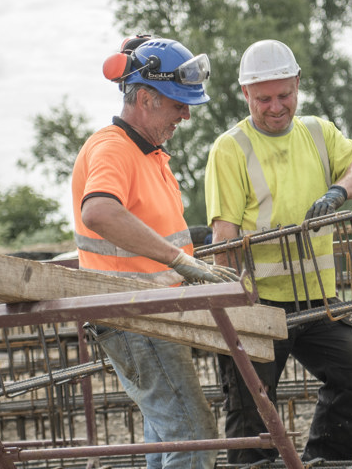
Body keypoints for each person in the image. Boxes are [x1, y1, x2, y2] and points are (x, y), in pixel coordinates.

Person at [204, 39, 352, 463]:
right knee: (251, 408)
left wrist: (339, 191)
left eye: (284, 95)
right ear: (245, 94)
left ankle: (325, 461)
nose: (275, 106)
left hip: (317, 299)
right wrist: (234, 312)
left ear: (298, 84)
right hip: (259, 303)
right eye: (263, 98)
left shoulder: (319, 132)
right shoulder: (231, 148)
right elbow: (224, 238)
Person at [72, 35, 236, 469]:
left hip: (149, 314)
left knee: (166, 434)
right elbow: (100, 212)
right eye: (178, 103)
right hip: (133, 316)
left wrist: (187, 246)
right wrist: (182, 261)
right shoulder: (114, 147)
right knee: (192, 433)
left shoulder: (150, 154)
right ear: (144, 98)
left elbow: (144, 226)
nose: (186, 113)